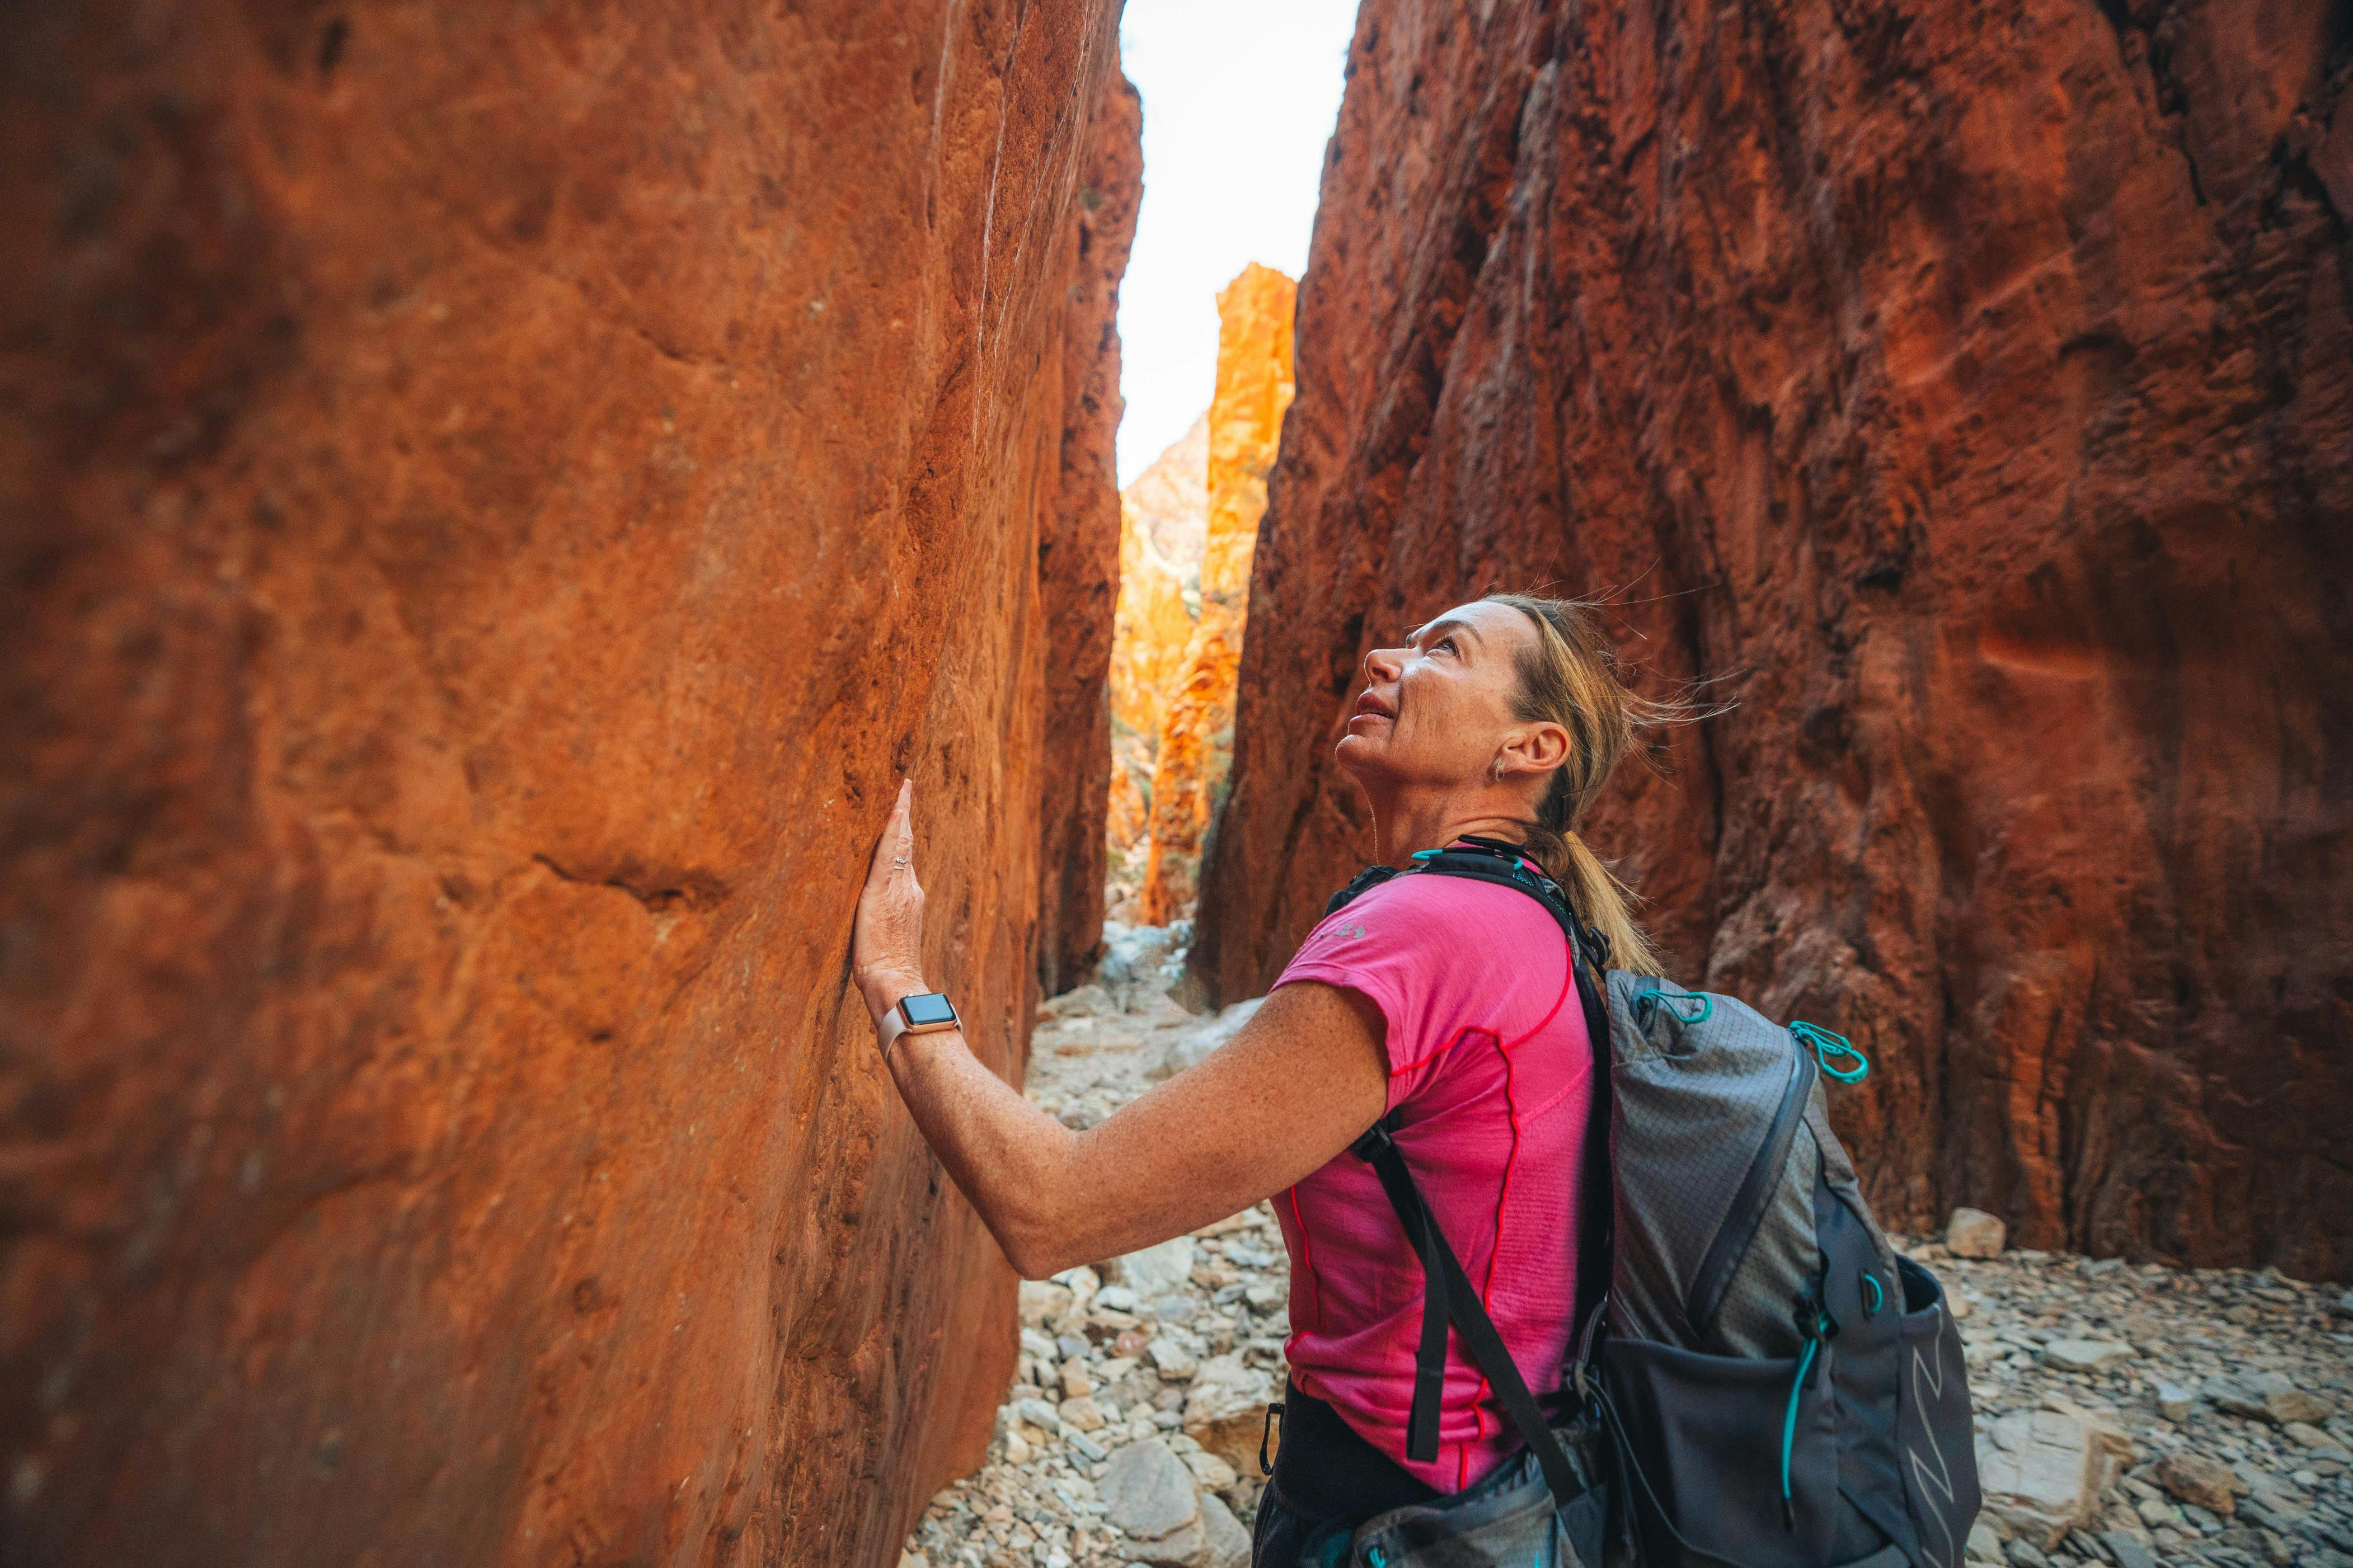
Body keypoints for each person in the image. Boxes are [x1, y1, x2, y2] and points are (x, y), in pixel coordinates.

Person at [851, 592, 1697, 1564]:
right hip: (1517, 1487)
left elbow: (1055, 1209)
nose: (1382, 656)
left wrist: (897, 980)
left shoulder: (1429, 933)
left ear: (1529, 748)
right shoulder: (1535, 920)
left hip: (1415, 1522)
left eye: (1443, 651)